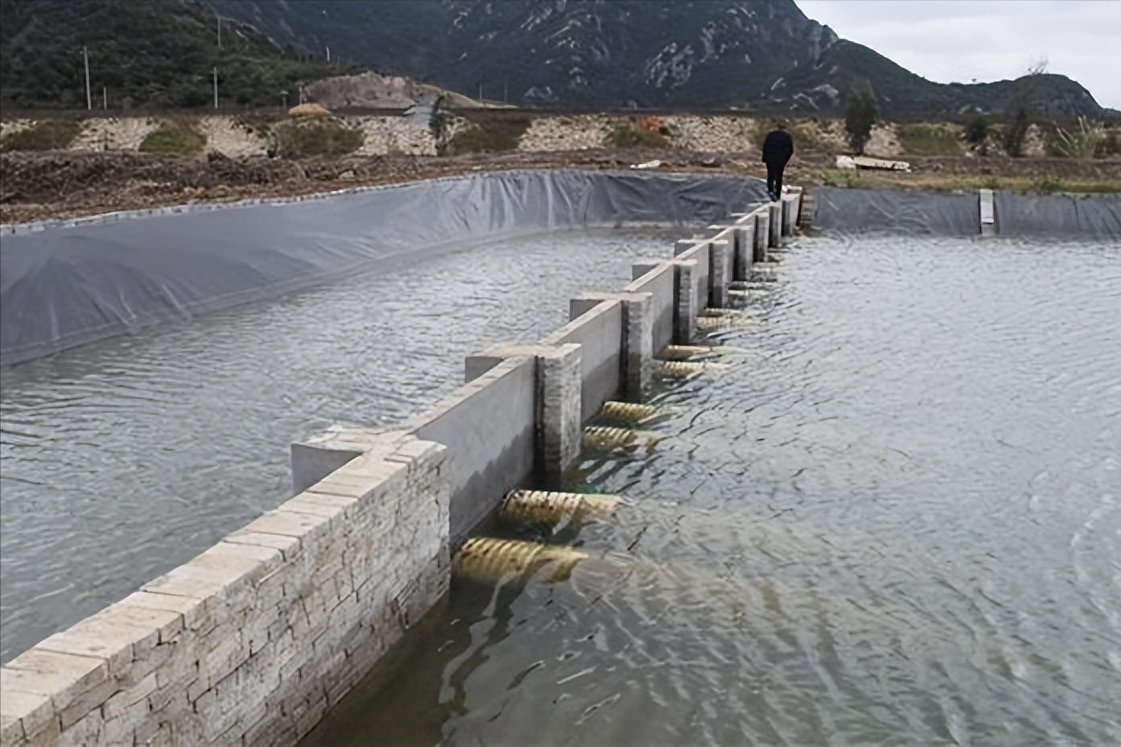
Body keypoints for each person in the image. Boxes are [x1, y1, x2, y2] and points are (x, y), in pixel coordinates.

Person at [761, 122, 794, 202]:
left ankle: (770, 191)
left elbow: (765, 147)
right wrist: (785, 160)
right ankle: (778, 194)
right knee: (779, 176)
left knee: (770, 175)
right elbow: (790, 150)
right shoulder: (787, 136)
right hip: (780, 160)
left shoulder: (771, 135)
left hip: (770, 158)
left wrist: (764, 158)